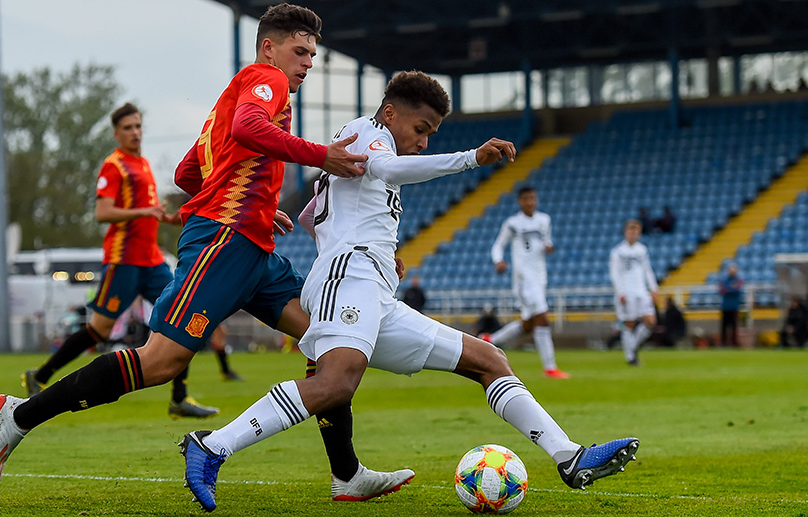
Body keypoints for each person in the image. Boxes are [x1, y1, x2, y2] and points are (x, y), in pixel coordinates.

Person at [0, 4, 413, 502]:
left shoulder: (230, 98)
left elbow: (189, 173)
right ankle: (18, 415)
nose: (308, 62)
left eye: (313, 54)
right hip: (222, 242)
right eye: (300, 51)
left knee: (329, 340)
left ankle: (346, 474)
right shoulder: (264, 78)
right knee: (162, 361)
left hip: (250, 246)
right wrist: (321, 156)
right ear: (269, 47)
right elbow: (249, 132)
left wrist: (255, 204)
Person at [179, 70, 639, 513]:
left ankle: (569, 456)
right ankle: (212, 445)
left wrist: (376, 248)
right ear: (390, 112)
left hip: (367, 282)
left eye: (431, 133)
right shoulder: (368, 131)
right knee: (334, 382)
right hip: (349, 276)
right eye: (421, 129)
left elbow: (311, 216)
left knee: (489, 359)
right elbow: (386, 167)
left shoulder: (358, 143)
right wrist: (468, 158)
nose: (423, 141)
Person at [20, 103, 218, 419]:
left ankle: (179, 398)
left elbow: (144, 212)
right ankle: (40, 376)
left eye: (138, 126)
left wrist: (163, 218)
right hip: (123, 261)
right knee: (99, 330)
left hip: (152, 261)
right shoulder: (114, 166)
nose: (135, 132)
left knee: (184, 316)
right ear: (116, 133)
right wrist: (143, 212)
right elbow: (102, 212)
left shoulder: (143, 164)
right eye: (128, 128)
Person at [487, 186, 569, 379]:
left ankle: (490, 339)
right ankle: (550, 367)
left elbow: (546, 242)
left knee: (529, 325)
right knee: (543, 318)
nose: (530, 202)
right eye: (526, 199)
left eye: (532, 198)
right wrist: (498, 260)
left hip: (540, 277)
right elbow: (499, 245)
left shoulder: (544, 220)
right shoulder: (513, 223)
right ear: (520, 201)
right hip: (523, 279)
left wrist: (548, 247)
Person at [610, 219, 658, 365]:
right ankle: (630, 357)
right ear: (625, 232)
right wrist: (620, 292)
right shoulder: (618, 251)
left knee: (651, 322)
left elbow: (647, 270)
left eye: (636, 231)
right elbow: (614, 273)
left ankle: (633, 348)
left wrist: (653, 288)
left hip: (641, 290)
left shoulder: (642, 250)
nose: (633, 233)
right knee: (629, 323)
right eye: (631, 230)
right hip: (626, 291)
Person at [717, 262, 743, 347]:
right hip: (725, 307)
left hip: (734, 307)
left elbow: (737, 291)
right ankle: (724, 343)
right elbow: (722, 290)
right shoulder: (724, 280)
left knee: (734, 326)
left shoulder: (738, 280)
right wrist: (732, 288)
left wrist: (728, 289)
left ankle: (734, 343)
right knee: (724, 326)